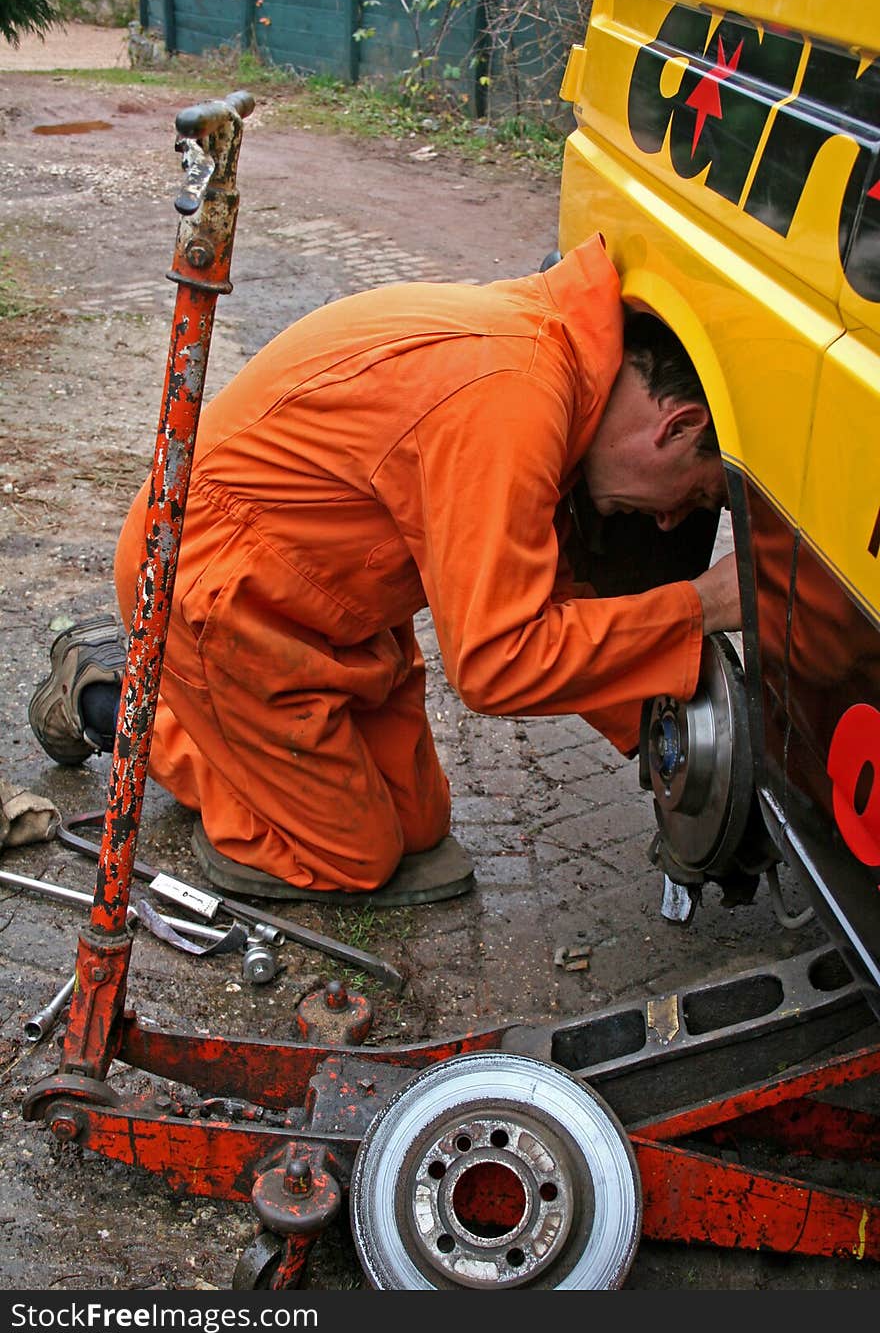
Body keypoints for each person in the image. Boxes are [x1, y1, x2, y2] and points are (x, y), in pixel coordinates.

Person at [28, 234, 740, 906]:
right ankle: (119, 695)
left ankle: (211, 716)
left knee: (419, 824)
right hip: (213, 592)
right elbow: (498, 659)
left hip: (321, 600)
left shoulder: (560, 368)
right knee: (352, 854)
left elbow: (542, 596)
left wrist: (657, 725)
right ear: (677, 427)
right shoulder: (511, 400)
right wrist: (701, 606)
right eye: (699, 493)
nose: (675, 519)